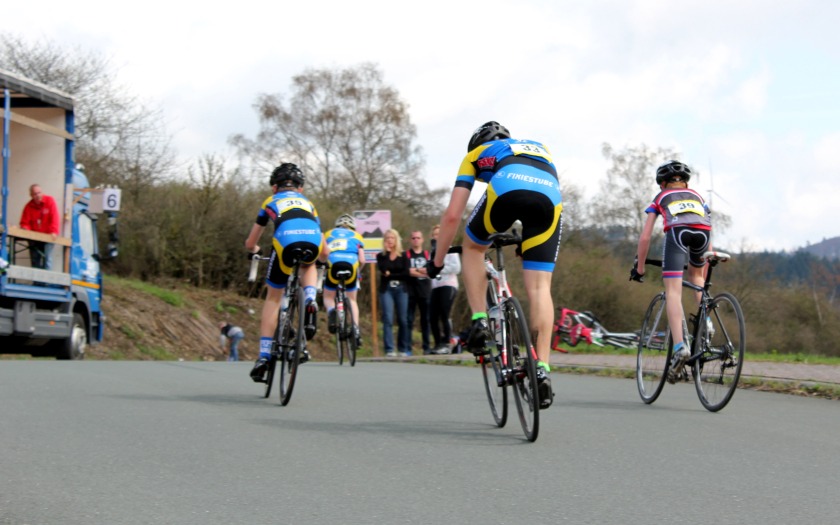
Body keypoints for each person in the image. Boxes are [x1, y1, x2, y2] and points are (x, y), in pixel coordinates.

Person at [428, 121, 562, 409]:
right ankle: (542, 368)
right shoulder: (538, 147)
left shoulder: (475, 154)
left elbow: (452, 216)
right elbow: (531, 190)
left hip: (506, 189)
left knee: (473, 247)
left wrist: (437, 262)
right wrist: (526, 243)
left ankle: (480, 321)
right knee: (540, 289)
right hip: (550, 198)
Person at [245, 163, 327, 383]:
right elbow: (325, 250)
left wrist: (255, 250)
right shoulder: (309, 204)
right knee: (309, 264)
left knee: (273, 297)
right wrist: (322, 262)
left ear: (274, 187)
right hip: (312, 241)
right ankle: (310, 297)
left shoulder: (269, 201)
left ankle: (263, 356)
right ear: (300, 188)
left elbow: (251, 243)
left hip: (285, 242)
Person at [631, 160, 711, 382]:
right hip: (704, 235)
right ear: (686, 183)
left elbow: (645, 237)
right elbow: (707, 225)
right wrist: (706, 263)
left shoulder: (661, 197)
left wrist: (640, 268)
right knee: (697, 278)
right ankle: (707, 322)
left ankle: (680, 348)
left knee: (673, 292)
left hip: (678, 233)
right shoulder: (698, 197)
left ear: (662, 184)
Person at [323, 213, 366, 347]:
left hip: (333, 264)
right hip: (351, 265)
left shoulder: (328, 234)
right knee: (352, 300)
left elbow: (323, 254)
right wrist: (359, 272)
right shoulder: (357, 236)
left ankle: (332, 311)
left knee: (328, 296)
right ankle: (356, 330)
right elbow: (362, 260)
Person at [376, 229, 411, 357]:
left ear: (396, 240)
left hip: (401, 289)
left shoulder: (404, 255)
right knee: (388, 318)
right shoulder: (380, 256)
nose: (390, 240)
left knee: (403, 319)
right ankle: (389, 349)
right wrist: (387, 254)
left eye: (392, 238)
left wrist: (391, 274)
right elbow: (383, 270)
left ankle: (403, 348)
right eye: (387, 238)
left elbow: (406, 273)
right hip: (387, 290)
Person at [428, 224, 461, 354]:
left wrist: (440, 269)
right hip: (435, 286)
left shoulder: (450, 249)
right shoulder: (432, 252)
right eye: (435, 235)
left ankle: (448, 342)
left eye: (439, 234)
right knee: (432, 316)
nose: (437, 237)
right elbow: (430, 269)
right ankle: (438, 344)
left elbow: (456, 268)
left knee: (444, 313)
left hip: (449, 285)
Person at [19, 183, 60, 270]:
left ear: (42, 192)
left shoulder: (50, 201)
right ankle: (36, 278)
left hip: (48, 237)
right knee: (35, 261)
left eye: (39, 192)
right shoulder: (28, 207)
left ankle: (47, 278)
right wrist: (26, 229)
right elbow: (24, 223)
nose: (38, 195)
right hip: (34, 238)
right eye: (35, 194)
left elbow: (55, 217)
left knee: (47, 260)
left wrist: (54, 231)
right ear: (31, 195)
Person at [406, 230, 433, 355]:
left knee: (425, 320)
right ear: (410, 240)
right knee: (409, 320)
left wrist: (415, 270)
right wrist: (421, 271)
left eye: (418, 238)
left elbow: (430, 271)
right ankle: (407, 348)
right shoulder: (406, 254)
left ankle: (426, 347)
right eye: (413, 238)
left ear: (422, 239)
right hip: (410, 292)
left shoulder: (428, 254)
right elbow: (407, 271)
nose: (416, 240)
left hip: (425, 292)